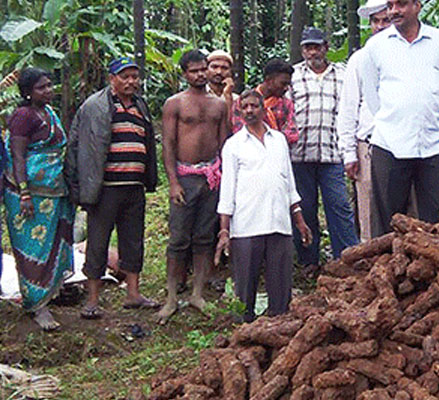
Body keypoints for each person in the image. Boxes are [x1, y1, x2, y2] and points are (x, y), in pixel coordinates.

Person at [359, 0, 439, 235]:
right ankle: (387, 274)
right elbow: (373, 97)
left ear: (417, 6)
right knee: (387, 226)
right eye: (390, 5)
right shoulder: (375, 47)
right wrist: (397, 120)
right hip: (390, 144)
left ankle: (437, 274)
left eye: (401, 4)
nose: (394, 11)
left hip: (432, 142)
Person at [67, 57, 160, 318]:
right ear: (112, 79)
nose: (131, 81)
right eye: (125, 76)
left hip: (134, 188)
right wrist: (78, 186)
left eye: (134, 76)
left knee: (133, 240)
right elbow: (77, 145)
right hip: (104, 188)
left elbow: (149, 144)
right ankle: (92, 300)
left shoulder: (141, 106)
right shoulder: (94, 106)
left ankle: (133, 294)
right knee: (97, 242)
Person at [216, 90, 311, 323]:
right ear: (238, 111)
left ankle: (279, 327)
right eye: (244, 107)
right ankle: (243, 330)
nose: (249, 111)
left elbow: (288, 182)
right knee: (245, 286)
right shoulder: (233, 145)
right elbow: (227, 191)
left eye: (254, 106)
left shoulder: (278, 140)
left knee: (281, 287)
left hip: (279, 223)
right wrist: (224, 230)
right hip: (247, 225)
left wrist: (299, 220)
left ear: (262, 109)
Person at [158, 49, 230, 324]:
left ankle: (198, 294)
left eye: (204, 69)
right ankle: (172, 297)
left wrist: (225, 177)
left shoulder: (219, 105)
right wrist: (173, 182)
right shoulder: (175, 104)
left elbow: (224, 144)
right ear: (185, 74)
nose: (202, 74)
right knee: (178, 239)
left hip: (211, 177)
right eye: (195, 70)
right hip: (185, 177)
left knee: (203, 237)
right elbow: (168, 144)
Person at [3, 68, 75, 330]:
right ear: (27, 92)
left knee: (54, 242)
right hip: (30, 193)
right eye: (41, 87)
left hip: (55, 190)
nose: (48, 90)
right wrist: (24, 192)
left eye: (49, 85)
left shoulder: (49, 113)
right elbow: (18, 156)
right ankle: (37, 305)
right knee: (33, 248)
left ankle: (50, 293)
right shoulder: (22, 116)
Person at [289, 27, 358, 268]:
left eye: (316, 46)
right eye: (308, 47)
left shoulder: (344, 74)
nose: (312, 51)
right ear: (302, 50)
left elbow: (353, 109)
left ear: (326, 47)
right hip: (300, 155)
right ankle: (309, 262)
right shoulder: (292, 75)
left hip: (333, 153)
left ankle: (347, 258)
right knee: (304, 209)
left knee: (339, 206)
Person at [338, 0, 402, 241]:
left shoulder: (408, 55)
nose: (379, 26)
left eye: (385, 20)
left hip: (403, 144)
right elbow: (348, 108)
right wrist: (349, 154)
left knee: (405, 210)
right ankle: (373, 267)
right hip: (369, 145)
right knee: (369, 210)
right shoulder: (360, 59)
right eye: (375, 21)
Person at [231, 58, 298, 146]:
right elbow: (239, 131)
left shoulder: (286, 104)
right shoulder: (243, 102)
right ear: (269, 81)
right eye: (283, 83)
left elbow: (292, 135)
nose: (286, 88)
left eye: (288, 84)